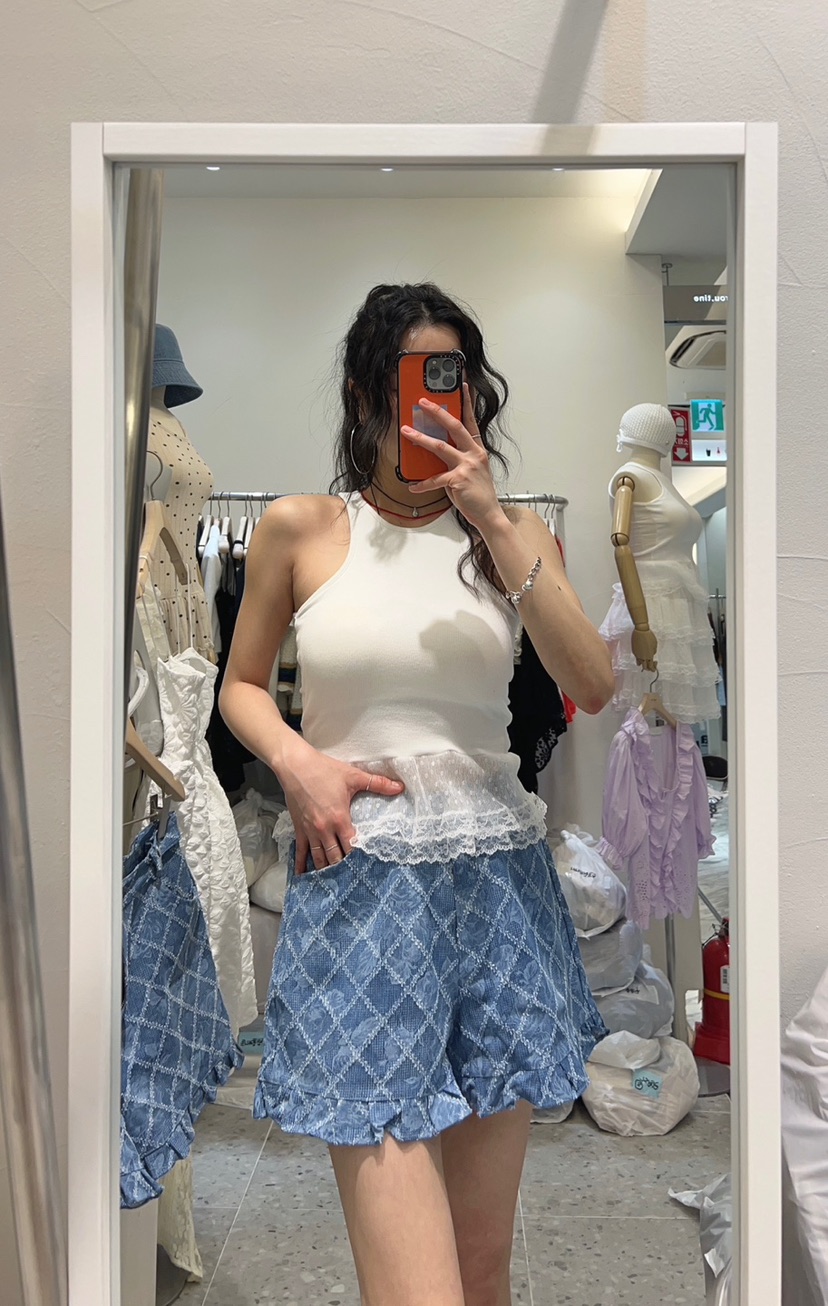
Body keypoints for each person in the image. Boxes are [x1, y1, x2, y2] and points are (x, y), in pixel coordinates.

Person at [220, 283, 614, 1306]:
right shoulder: (302, 528)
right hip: (360, 888)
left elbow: (592, 679)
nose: (441, 406)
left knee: (482, 1273)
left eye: (458, 383)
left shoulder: (514, 537)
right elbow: (241, 686)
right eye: (416, 383)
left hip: (500, 892)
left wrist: (492, 519)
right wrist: (299, 762)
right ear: (366, 395)